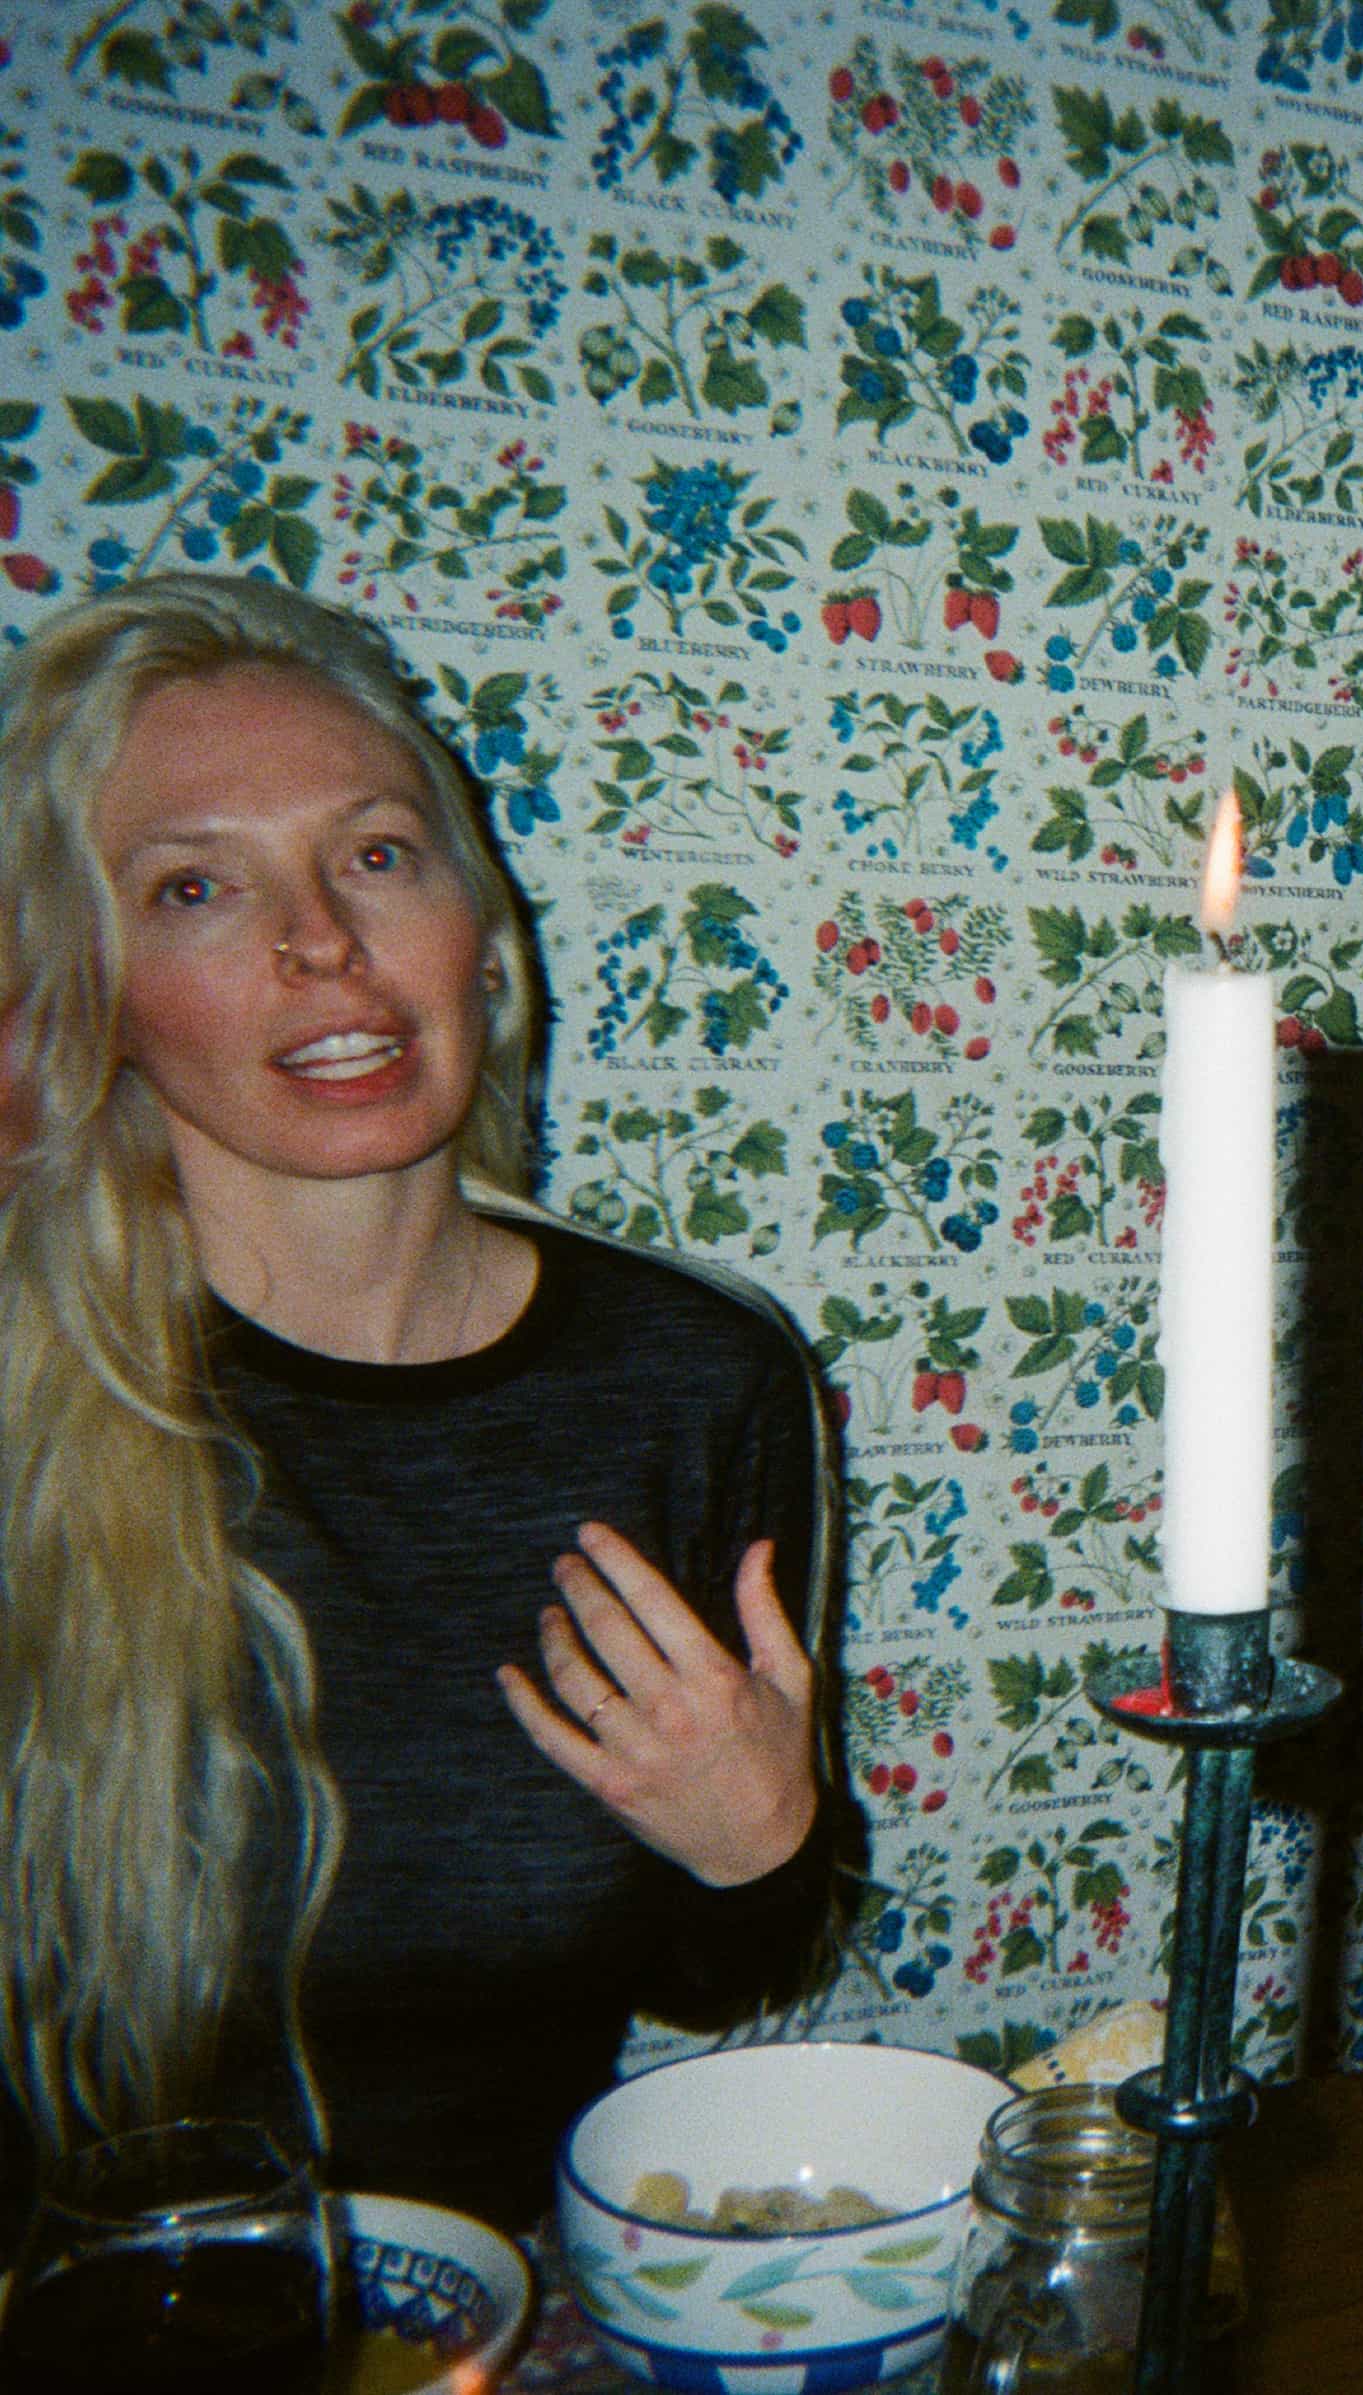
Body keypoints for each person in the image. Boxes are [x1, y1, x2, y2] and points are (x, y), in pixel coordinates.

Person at [0, 574, 846, 2238]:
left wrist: (765, 1838)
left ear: (480, 921)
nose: (322, 939)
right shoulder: (27, 1397)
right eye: (193, 889)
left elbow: (724, 1975)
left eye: (376, 855)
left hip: (511, 2312)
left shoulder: (695, 1375)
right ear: (88, 990)